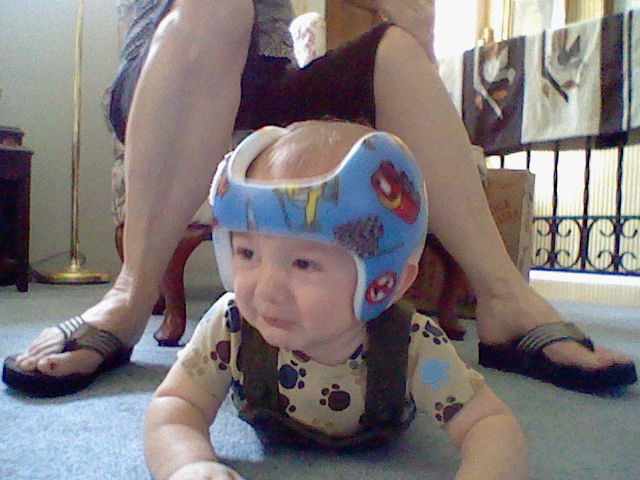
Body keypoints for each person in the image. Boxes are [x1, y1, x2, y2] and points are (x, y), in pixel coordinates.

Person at [2, 0, 635, 397]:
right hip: (175, 53)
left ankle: (504, 299)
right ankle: (130, 295)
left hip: (270, 78)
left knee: (397, 51)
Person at [144, 120, 529, 480]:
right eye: (246, 253)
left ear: (385, 283)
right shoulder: (231, 326)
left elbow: (487, 423)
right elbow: (176, 407)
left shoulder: (412, 344)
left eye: (304, 263)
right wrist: (189, 465)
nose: (265, 290)